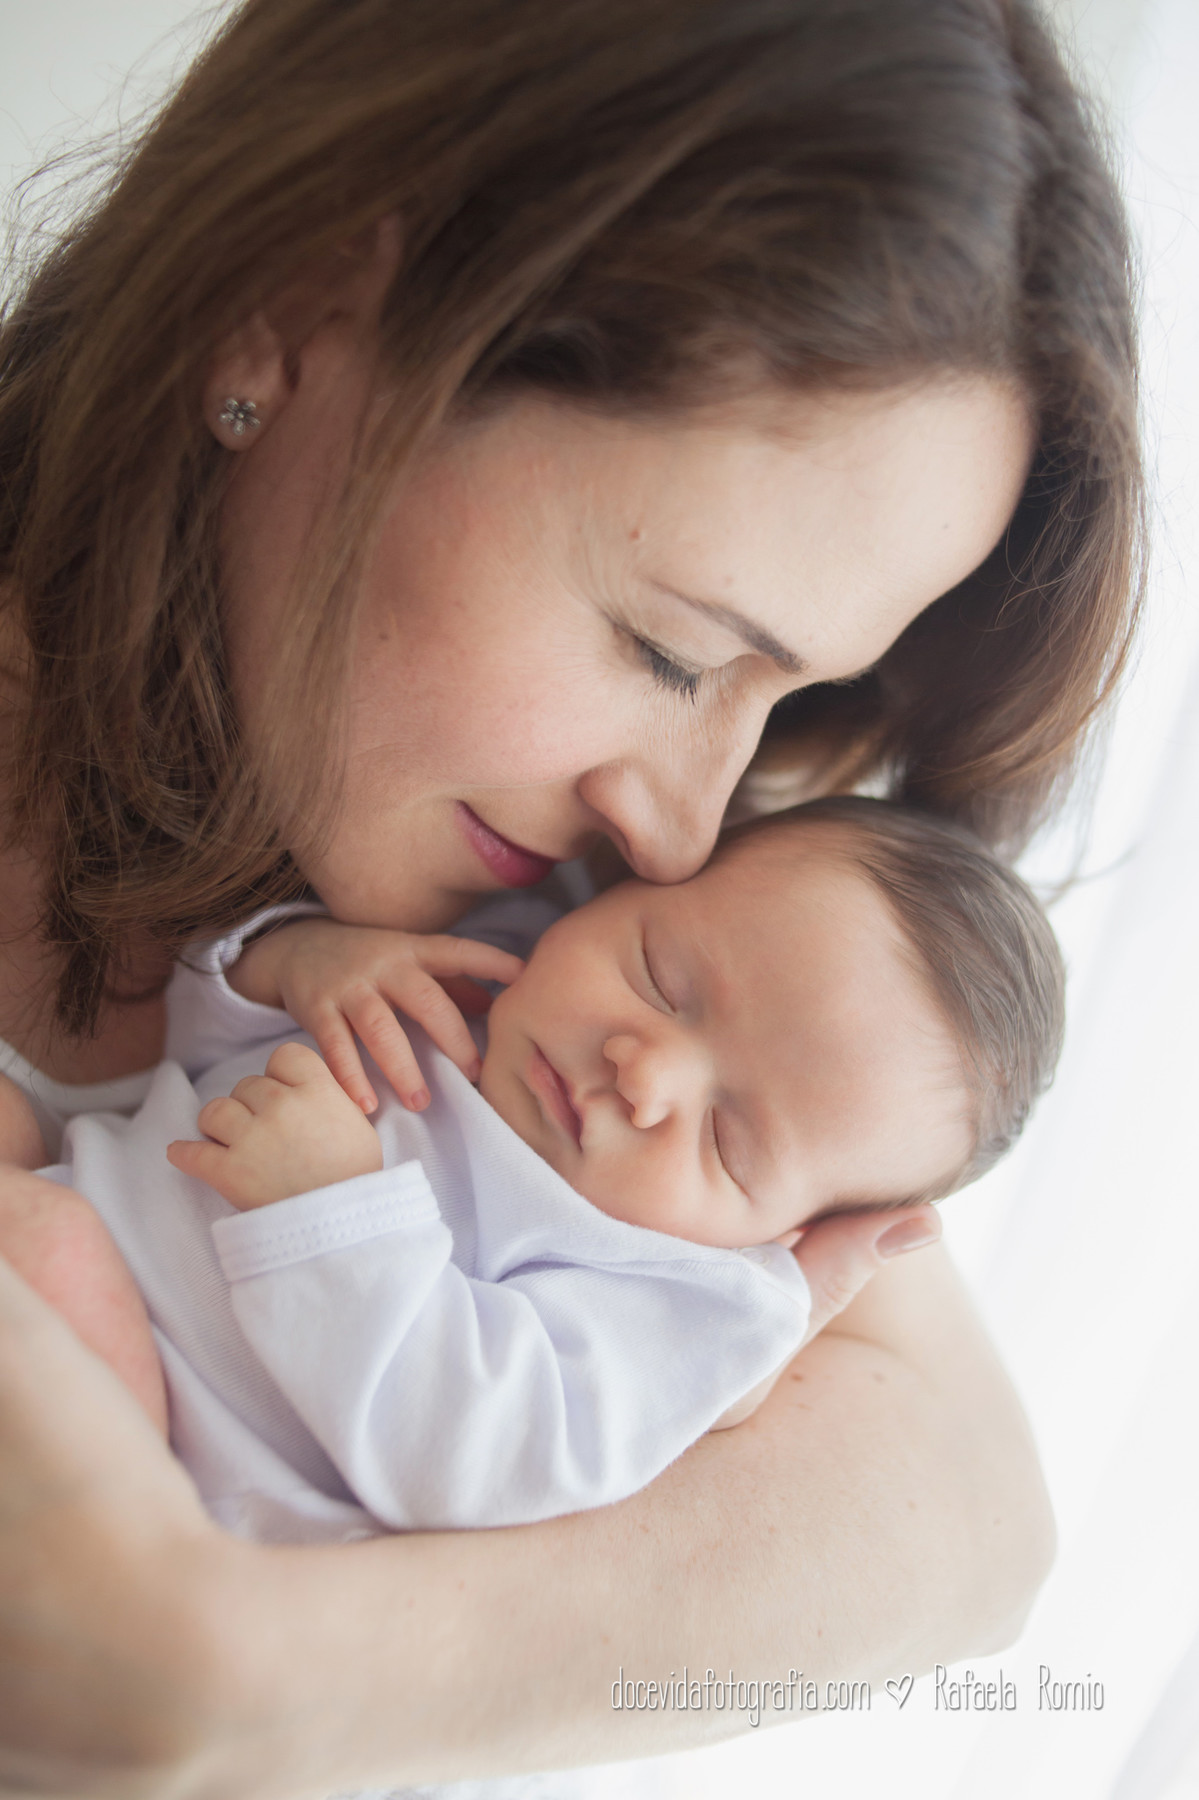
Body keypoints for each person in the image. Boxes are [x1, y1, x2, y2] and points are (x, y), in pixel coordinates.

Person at [0, 0, 1140, 1793]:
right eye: (666, 646)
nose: (690, 830)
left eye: (796, 700)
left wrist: (235, 1672)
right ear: (298, 301)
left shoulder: (577, 926)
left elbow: (964, 1513)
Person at [0, 796, 1066, 1539]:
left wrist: (331, 1210)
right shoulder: (483, 970)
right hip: (74, 1207)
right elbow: (181, 1054)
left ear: (780, 1237)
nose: (641, 1076)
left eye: (724, 1141)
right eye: (659, 974)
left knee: (39, 1241)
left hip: (169, 1467)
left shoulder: (679, 1300)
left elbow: (467, 1453)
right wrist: (297, 963)